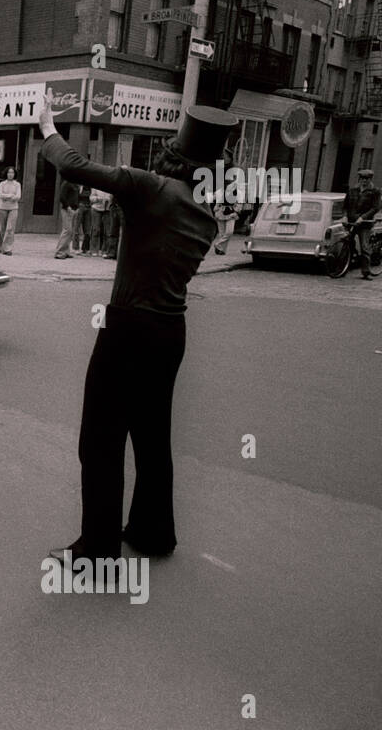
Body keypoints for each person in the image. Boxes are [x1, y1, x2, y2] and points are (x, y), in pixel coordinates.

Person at [36, 94, 236, 567]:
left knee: (101, 438)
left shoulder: (152, 187)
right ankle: (152, 531)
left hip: (127, 326)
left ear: (174, 154)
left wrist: (47, 126)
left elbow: (75, 166)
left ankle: (98, 553)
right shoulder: (204, 213)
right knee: (152, 435)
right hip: (171, 332)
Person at [342, 168, 382, 279]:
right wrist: (345, 216)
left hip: (364, 223)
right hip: (351, 221)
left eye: (366, 179)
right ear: (359, 179)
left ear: (370, 179)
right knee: (347, 244)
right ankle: (344, 268)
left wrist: (363, 217)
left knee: (365, 247)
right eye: (362, 179)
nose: (364, 181)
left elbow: (375, 208)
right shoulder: (352, 190)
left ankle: (366, 272)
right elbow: (345, 205)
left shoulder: (375, 191)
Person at [53, 173, 79, 258]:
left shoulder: (75, 183)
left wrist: (76, 208)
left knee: (70, 231)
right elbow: (62, 197)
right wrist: (68, 207)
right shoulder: (66, 183)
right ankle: (59, 252)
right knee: (67, 230)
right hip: (67, 209)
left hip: (74, 210)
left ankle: (66, 251)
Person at [0, 167, 21, 255]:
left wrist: (6, 196)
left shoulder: (17, 184)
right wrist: (11, 196)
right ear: (6, 174)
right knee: (2, 228)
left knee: (10, 229)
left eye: (12, 173)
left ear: (14, 174)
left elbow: (18, 197)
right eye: (9, 173)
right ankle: (0, 246)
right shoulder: (2, 184)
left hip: (13, 208)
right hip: (2, 208)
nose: (10, 174)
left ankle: (7, 249)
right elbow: (0, 195)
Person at [88, 187, 111, 255]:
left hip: (107, 209)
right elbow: (91, 198)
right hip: (96, 209)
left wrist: (109, 199)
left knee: (107, 231)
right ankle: (94, 250)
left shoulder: (110, 184)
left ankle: (105, 250)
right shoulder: (95, 186)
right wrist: (97, 198)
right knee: (96, 229)